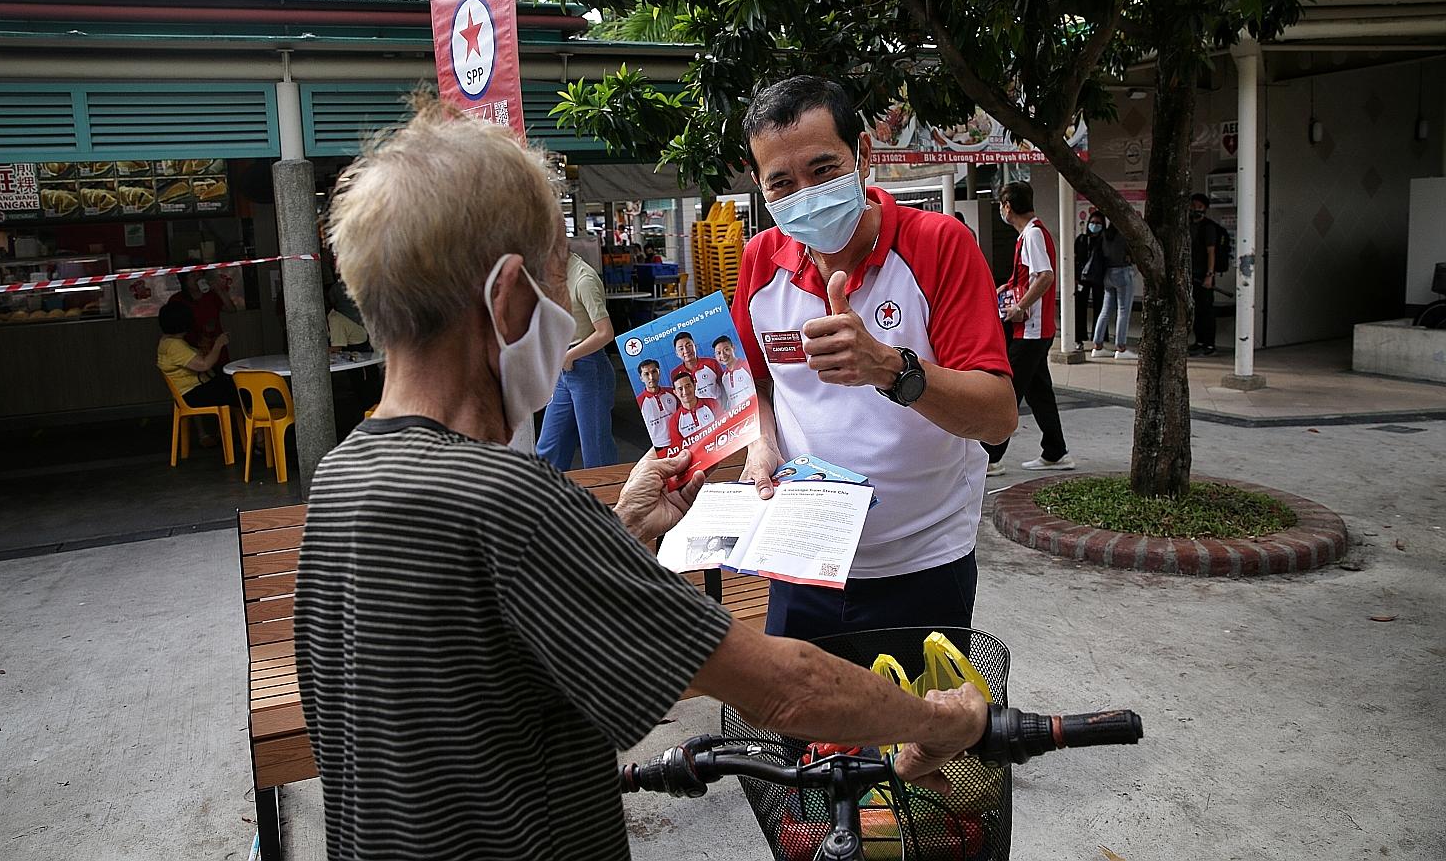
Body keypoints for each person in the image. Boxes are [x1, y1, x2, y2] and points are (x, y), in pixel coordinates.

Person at [296, 102, 989, 861]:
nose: (568, 312)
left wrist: (621, 530)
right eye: (558, 272)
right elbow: (781, 689)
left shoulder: (343, 478)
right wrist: (940, 723)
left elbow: (487, 637)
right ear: (508, 297)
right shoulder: (509, 502)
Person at [730, 76, 1016, 641]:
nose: (804, 194)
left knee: (918, 726)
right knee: (803, 726)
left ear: (862, 154)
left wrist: (889, 368)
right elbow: (753, 383)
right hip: (802, 551)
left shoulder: (939, 245)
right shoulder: (761, 260)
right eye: (781, 183)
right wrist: (759, 442)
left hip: (924, 557)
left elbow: (997, 415)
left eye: (822, 169)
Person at [984, 182, 1075, 476]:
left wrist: (1020, 306)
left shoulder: (1033, 235)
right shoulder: (1032, 233)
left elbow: (1045, 276)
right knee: (1039, 393)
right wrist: (1009, 287)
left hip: (1031, 330)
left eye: (1001, 204)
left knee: (1007, 392)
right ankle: (1055, 452)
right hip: (1036, 329)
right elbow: (1034, 276)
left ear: (1007, 206)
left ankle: (992, 457)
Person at [535, 245, 617, 469]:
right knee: (549, 447)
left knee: (595, 451)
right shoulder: (555, 276)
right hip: (565, 369)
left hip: (589, 367)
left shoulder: (584, 280)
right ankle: (546, 498)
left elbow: (605, 333)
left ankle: (606, 502)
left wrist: (570, 355)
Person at [156, 299, 236, 446]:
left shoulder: (167, 341)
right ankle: (258, 437)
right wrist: (219, 343)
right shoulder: (174, 345)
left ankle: (249, 435)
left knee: (234, 387)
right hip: (193, 394)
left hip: (190, 391)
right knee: (243, 391)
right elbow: (204, 365)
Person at [1089, 212, 1137, 361]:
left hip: (1107, 275)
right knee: (1123, 311)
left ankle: (1097, 345)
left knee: (1105, 311)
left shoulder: (1104, 235)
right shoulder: (1124, 236)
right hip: (1122, 272)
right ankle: (1120, 347)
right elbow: (1133, 255)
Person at [167, 269, 236, 369]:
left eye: (200, 275)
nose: (198, 279)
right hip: (191, 347)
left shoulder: (210, 295)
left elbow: (231, 309)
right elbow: (172, 327)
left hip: (215, 345)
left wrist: (219, 290)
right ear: (184, 280)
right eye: (193, 276)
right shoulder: (177, 300)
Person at [1189, 192, 1218, 356]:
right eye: (1193, 206)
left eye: (1199, 207)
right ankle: (1199, 341)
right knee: (1195, 310)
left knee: (1206, 309)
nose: (1195, 209)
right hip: (1191, 274)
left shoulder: (1208, 227)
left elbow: (1211, 252)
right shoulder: (1188, 225)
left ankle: (1209, 344)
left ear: (1205, 208)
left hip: (1204, 275)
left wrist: (1210, 274)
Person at [1073, 210, 1106, 352]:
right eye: (1092, 222)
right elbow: (1074, 259)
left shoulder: (1105, 241)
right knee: (1079, 308)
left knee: (1101, 308)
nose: (1095, 225)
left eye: (1098, 223)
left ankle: (1098, 339)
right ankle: (1078, 338)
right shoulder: (1081, 239)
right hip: (1082, 279)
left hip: (1100, 279)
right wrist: (1074, 277)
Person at [665, 370, 720, 447]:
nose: (685, 391)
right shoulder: (674, 421)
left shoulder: (712, 403)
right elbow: (679, 448)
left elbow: (724, 426)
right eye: (680, 389)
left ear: (694, 386)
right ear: (675, 392)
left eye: (688, 386)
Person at [670, 331, 726, 407]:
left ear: (695, 346)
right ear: (677, 353)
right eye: (681, 349)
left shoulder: (711, 363)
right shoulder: (675, 374)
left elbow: (724, 386)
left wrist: (725, 408)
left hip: (720, 411)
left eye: (688, 345)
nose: (686, 351)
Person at [635, 359, 679, 449]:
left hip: (680, 440)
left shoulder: (673, 392)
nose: (651, 377)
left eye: (654, 372)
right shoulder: (639, 401)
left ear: (659, 373)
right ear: (641, 378)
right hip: (657, 447)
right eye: (646, 374)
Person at [712, 334, 756, 409]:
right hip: (740, 417)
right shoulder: (724, 377)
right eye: (718, 353)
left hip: (756, 411)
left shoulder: (747, 366)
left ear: (733, 348)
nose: (723, 355)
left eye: (726, 349)